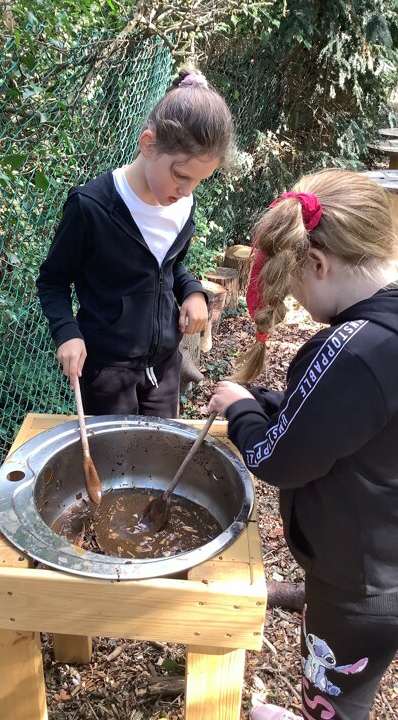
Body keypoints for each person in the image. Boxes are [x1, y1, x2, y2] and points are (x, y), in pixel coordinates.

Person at [207, 169, 398, 720]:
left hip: (357, 581)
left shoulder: (350, 350)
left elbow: (278, 458)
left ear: (318, 263)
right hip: (384, 561)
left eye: (295, 288)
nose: (297, 302)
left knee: (333, 691)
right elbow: (339, 420)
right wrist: (264, 400)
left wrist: (241, 409)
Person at [37, 69, 233, 417]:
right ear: (148, 144)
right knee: (115, 454)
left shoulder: (183, 206)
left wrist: (192, 292)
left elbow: (169, 267)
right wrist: (67, 332)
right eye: (180, 175)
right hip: (107, 375)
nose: (186, 190)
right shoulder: (91, 207)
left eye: (198, 181)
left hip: (165, 368)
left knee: (162, 450)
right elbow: (52, 281)